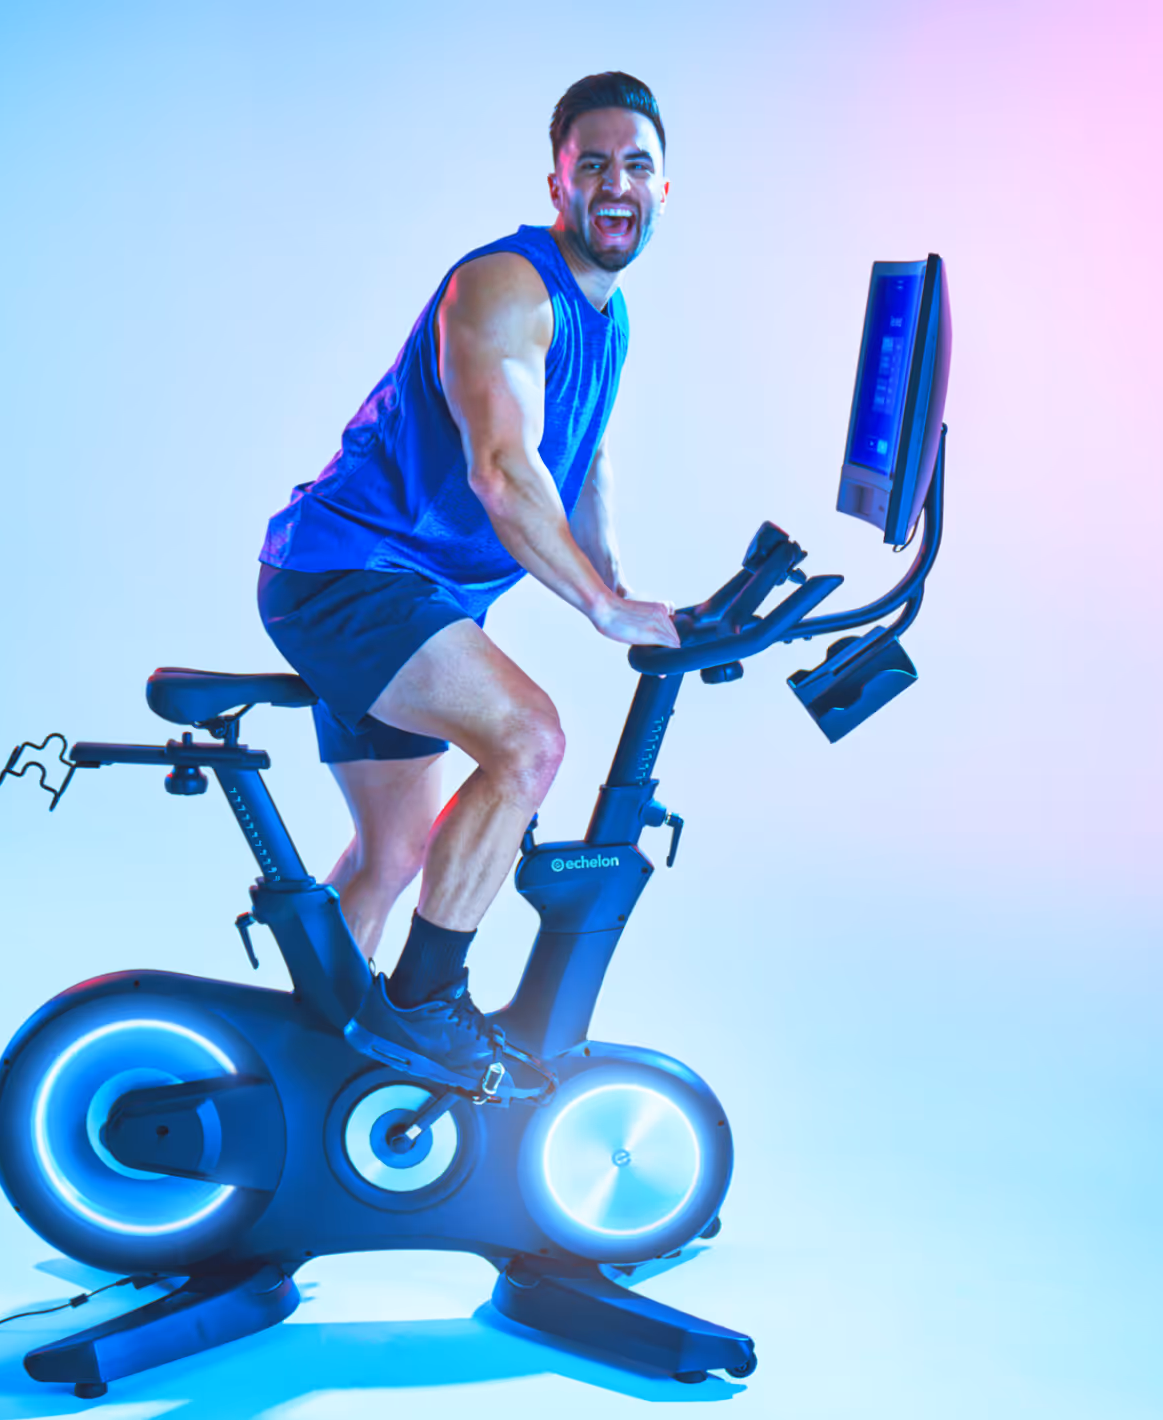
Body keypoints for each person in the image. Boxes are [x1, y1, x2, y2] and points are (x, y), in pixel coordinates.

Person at [256, 72, 679, 1094]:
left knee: (393, 853)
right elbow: (503, 468)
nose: (614, 184)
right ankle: (420, 1006)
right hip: (350, 576)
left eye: (636, 166)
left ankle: (303, 1085)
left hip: (403, 591)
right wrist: (600, 608)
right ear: (556, 184)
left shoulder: (608, 314)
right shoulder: (503, 290)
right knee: (529, 740)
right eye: (591, 165)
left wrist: (623, 589)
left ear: (663, 189)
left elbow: (579, 455)